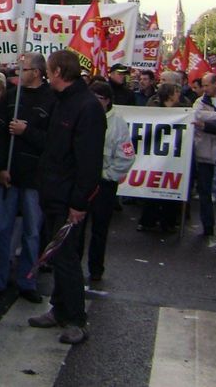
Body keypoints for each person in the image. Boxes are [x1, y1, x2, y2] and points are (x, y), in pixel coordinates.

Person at [29, 50, 105, 345]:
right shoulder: (62, 102)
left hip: (67, 196)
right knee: (58, 256)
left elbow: (88, 161)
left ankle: (76, 319)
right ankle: (60, 308)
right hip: (53, 192)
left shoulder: (86, 107)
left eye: (48, 70)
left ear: (58, 71)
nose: (46, 74)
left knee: (67, 258)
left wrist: (79, 202)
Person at [0, 52, 53, 303]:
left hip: (35, 178)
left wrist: (27, 131)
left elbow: (52, 142)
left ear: (37, 72)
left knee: (32, 232)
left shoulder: (51, 99)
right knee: (1, 229)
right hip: (8, 176)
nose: (18, 73)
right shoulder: (10, 97)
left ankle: (27, 280)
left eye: (24, 69)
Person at [78, 81, 135, 285]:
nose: (94, 102)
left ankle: (96, 268)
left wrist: (108, 174)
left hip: (104, 183)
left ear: (108, 100)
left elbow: (127, 155)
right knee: (77, 225)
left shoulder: (117, 122)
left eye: (99, 98)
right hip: (83, 180)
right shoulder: (82, 115)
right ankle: (74, 264)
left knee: (100, 228)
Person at [137, 83, 187, 233]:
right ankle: (148, 220)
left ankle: (168, 221)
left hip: (174, 155)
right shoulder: (155, 109)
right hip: (156, 154)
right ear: (170, 95)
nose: (179, 94)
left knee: (170, 190)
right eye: (176, 92)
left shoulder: (183, 110)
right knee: (152, 186)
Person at [192, 72, 216, 237]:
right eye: (203, 85)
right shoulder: (199, 102)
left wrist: (206, 122)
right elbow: (196, 116)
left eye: (207, 85)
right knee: (205, 191)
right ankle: (207, 225)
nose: (204, 89)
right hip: (204, 151)